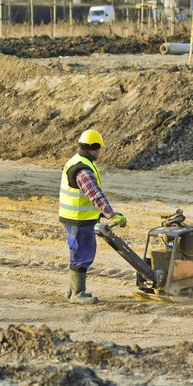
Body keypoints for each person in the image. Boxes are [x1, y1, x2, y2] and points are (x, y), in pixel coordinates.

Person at [58, 129, 126, 304]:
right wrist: (111, 214)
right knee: (82, 253)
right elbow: (94, 194)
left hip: (76, 217)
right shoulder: (83, 169)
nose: (99, 152)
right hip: (79, 218)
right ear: (93, 148)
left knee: (78, 251)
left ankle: (72, 291)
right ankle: (77, 294)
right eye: (98, 148)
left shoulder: (78, 161)